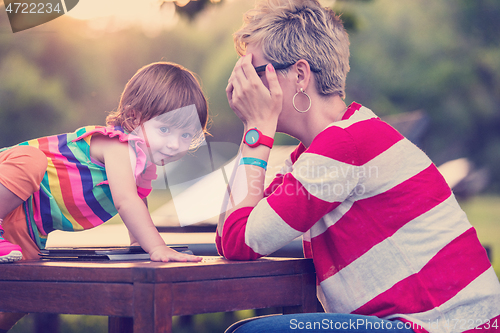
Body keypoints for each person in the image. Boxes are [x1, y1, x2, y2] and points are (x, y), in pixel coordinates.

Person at [217, 0, 500, 332]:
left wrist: (256, 129)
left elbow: (240, 240)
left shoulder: (344, 146)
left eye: (254, 72)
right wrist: (255, 129)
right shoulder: (316, 154)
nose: (243, 87)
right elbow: (234, 231)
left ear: (299, 75)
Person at [0, 61, 207, 332]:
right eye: (165, 130)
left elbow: (138, 200)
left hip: (26, 219)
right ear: (134, 119)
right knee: (31, 161)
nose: (174, 144)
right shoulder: (118, 146)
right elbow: (126, 200)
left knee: (24, 288)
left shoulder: (143, 165)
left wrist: (139, 242)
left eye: (186, 135)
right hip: (10, 183)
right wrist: (157, 247)